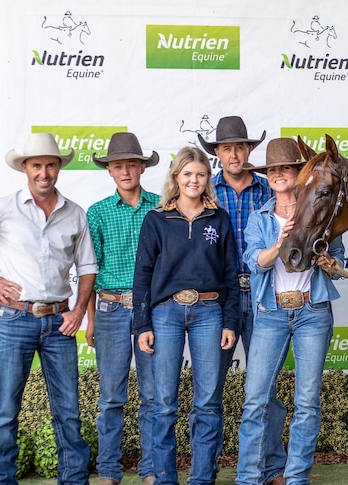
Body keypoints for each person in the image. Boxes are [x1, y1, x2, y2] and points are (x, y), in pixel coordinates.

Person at [0, 133, 96, 484]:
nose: (44, 172)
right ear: (25, 168)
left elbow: (87, 268)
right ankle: (3, 480)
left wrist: (77, 312)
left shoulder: (75, 214)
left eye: (51, 165)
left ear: (59, 168)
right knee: (6, 411)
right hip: (15, 320)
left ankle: (74, 480)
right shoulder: (4, 208)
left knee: (68, 412)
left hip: (60, 322)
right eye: (37, 165)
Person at [235, 138, 345, 485]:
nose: (278, 175)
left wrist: (329, 262)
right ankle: (249, 478)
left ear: (299, 173)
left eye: (285, 168)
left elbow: (339, 263)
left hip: (312, 311)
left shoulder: (320, 210)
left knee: (307, 402)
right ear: (266, 177)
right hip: (270, 312)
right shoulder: (260, 217)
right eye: (272, 170)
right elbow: (254, 262)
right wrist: (280, 243)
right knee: (256, 400)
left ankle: (296, 477)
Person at [133, 146, 241, 485]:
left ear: (208, 178)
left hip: (210, 312)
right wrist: (142, 324)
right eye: (187, 174)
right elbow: (143, 275)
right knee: (164, 402)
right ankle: (165, 478)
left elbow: (230, 273)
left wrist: (231, 321)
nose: (194, 180)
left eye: (201, 174)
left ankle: (202, 478)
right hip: (165, 314)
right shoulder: (156, 219)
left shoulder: (218, 219)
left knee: (208, 402)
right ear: (176, 177)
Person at [85, 132, 160, 485]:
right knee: (111, 395)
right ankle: (110, 471)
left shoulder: (162, 207)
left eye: (132, 164)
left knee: (152, 393)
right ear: (109, 171)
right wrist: (90, 321)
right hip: (111, 309)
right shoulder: (97, 213)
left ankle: (150, 469)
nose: (126, 170)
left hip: (151, 310)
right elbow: (90, 269)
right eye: (118, 165)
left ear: (142, 167)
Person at [197, 115, 272, 370]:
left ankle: (263, 412)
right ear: (217, 152)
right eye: (227, 148)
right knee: (212, 375)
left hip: (262, 290)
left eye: (240, 147)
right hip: (219, 293)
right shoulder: (204, 192)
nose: (234, 155)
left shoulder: (269, 191)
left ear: (249, 149)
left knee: (263, 375)